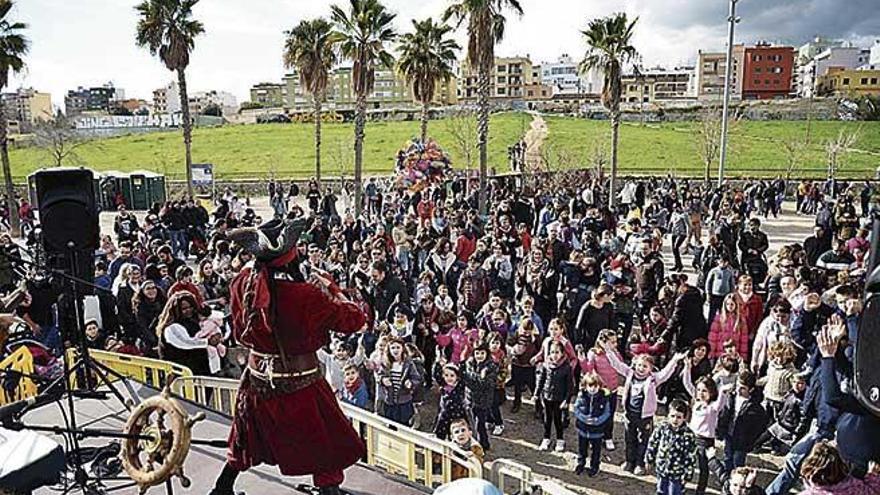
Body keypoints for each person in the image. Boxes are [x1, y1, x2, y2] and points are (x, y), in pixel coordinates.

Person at [210, 219, 368, 495]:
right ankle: (329, 491)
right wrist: (332, 289)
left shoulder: (240, 284)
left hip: (258, 378)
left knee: (246, 436)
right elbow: (354, 320)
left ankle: (222, 488)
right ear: (291, 259)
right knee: (325, 440)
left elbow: (238, 332)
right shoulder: (306, 294)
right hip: (301, 381)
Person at [602, 339, 687, 475]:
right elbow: (617, 364)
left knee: (644, 440)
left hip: (645, 417)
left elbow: (666, 373)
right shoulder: (630, 373)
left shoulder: (653, 379)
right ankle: (630, 461)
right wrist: (608, 351)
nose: (641, 369)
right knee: (630, 438)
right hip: (630, 414)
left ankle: (640, 463)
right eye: (640, 365)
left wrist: (675, 360)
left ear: (650, 368)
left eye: (645, 366)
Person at [715, 370, 767, 473]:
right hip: (729, 435)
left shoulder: (756, 407)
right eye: (738, 386)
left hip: (742, 440)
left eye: (743, 388)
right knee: (727, 458)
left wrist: (750, 441)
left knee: (738, 462)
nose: (739, 389)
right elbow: (723, 415)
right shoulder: (731, 397)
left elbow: (759, 427)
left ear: (751, 389)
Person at [645, 399, 698, 495]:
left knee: (674, 492)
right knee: (661, 491)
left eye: (679, 417)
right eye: (672, 416)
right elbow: (653, 443)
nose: (675, 420)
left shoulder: (688, 435)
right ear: (668, 415)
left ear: (684, 418)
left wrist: (688, 475)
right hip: (662, 468)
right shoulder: (662, 428)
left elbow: (691, 457)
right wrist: (649, 459)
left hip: (677, 473)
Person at [535, 341, 574, 453]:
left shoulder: (566, 368)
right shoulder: (546, 365)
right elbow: (541, 380)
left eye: (557, 352)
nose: (554, 355)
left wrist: (567, 400)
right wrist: (537, 394)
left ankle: (560, 439)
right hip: (547, 397)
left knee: (558, 420)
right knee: (547, 419)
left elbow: (570, 386)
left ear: (562, 353)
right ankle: (546, 438)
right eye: (552, 352)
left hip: (559, 399)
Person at [572, 372, 612, 477]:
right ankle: (580, 463)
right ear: (585, 386)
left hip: (597, 431)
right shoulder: (582, 396)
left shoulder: (603, 398)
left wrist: (598, 420)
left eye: (596, 386)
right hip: (583, 429)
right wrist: (584, 418)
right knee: (582, 449)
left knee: (596, 451)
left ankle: (594, 466)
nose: (593, 388)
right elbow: (576, 409)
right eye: (590, 386)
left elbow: (607, 413)